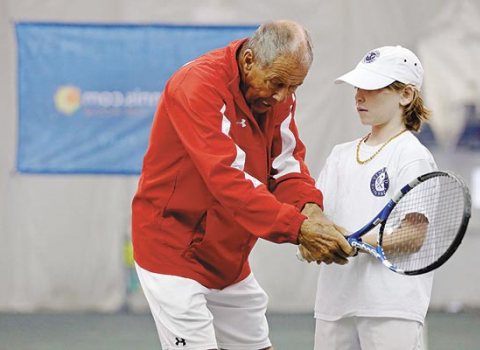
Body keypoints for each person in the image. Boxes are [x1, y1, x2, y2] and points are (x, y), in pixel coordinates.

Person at [131, 19, 353, 350]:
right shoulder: (197, 86)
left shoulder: (280, 96)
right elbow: (229, 181)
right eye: (276, 83)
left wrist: (311, 211)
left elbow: (285, 166)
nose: (282, 97)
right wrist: (298, 230)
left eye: (294, 87)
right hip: (172, 250)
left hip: (228, 258)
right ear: (249, 60)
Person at [300, 45, 437, 349]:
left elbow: (413, 235)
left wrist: (358, 242)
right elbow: (319, 219)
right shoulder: (340, 155)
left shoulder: (412, 156)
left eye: (373, 87)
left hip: (391, 308)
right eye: (358, 86)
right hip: (334, 306)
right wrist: (314, 242)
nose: (359, 95)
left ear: (406, 95)